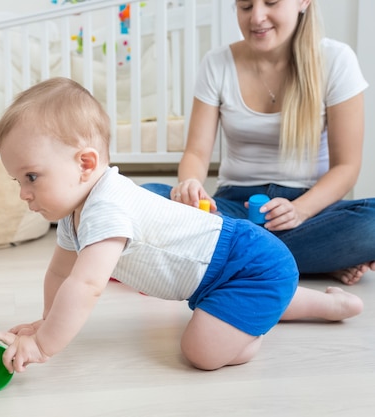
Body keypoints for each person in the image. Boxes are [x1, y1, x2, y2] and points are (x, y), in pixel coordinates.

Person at [0, 77, 363, 375]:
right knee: (232, 310)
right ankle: (327, 306)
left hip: (247, 261)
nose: (24, 193)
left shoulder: (107, 206)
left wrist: (43, 345)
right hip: (224, 274)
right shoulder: (73, 214)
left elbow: (85, 285)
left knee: (201, 352)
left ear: (85, 164)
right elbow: (59, 274)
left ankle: (255, 323)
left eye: (31, 177)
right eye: (17, 181)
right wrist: (47, 322)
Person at [142, 0, 375, 286]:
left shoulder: (337, 59)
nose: (257, 17)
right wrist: (190, 184)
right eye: (246, 6)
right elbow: (196, 152)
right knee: (147, 197)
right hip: (234, 208)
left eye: (271, 3)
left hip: (310, 209)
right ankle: (315, 260)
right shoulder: (217, 63)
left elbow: (347, 166)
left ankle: (231, 257)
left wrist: (299, 211)